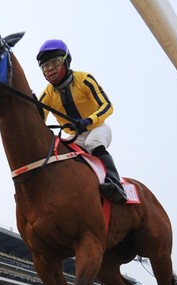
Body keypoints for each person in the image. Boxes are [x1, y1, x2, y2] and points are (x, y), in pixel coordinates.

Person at [36, 39, 127, 203]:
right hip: (74, 137)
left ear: (66, 61)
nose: (50, 69)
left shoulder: (85, 79)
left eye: (55, 62)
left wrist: (88, 121)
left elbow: (107, 106)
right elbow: (37, 121)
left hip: (97, 128)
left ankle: (115, 183)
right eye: (45, 66)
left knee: (93, 142)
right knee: (58, 154)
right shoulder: (47, 94)